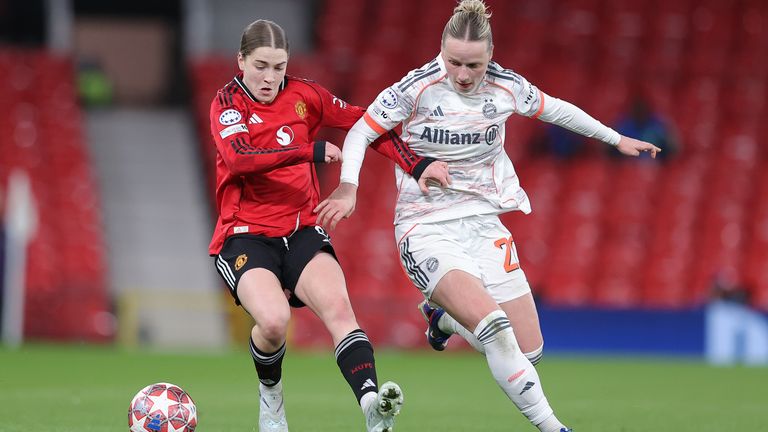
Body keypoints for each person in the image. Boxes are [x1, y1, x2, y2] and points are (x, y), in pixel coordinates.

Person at [315, 1, 661, 431]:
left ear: (490, 57)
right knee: (495, 329)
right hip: (426, 226)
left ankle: (442, 319)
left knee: (528, 351)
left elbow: (556, 109)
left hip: (483, 223)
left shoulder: (506, 86)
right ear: (441, 51)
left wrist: (615, 139)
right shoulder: (416, 87)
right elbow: (362, 130)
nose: (462, 74)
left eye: (473, 65)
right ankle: (555, 427)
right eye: (454, 62)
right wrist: (349, 185)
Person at [207, 19, 444, 432]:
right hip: (244, 235)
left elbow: (366, 123)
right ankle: (271, 398)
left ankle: (372, 407)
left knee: (339, 309)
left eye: (279, 67)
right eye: (260, 66)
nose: (269, 77)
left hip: (301, 230)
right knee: (274, 322)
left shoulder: (305, 95)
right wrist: (307, 151)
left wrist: (416, 163)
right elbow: (240, 158)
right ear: (241, 61)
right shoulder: (228, 103)